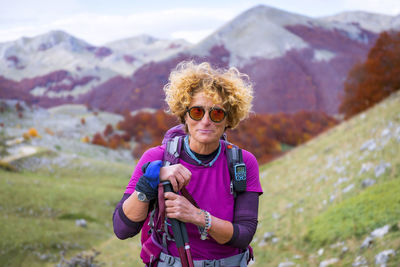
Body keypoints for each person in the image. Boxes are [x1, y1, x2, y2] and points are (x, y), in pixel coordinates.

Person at [113, 61, 263, 266]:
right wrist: (151, 180)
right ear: (184, 115)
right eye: (197, 112)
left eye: (217, 113)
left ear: (229, 119)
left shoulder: (243, 163)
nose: (206, 121)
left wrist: (197, 216)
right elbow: (122, 229)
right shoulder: (156, 158)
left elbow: (243, 234)